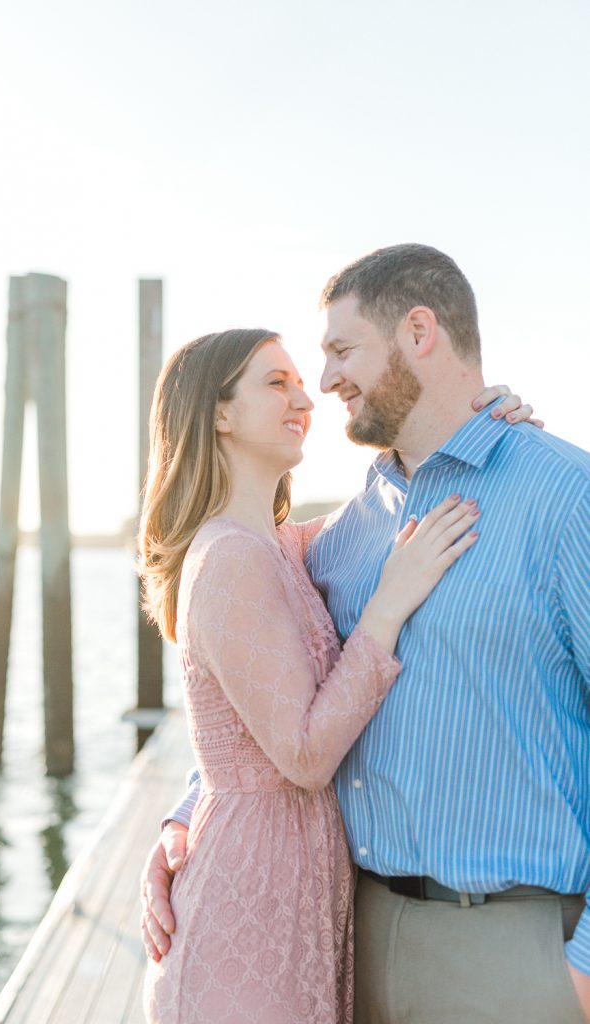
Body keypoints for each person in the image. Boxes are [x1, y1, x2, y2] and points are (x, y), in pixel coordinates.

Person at [142, 244, 590, 1024]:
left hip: (513, 950)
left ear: (419, 332)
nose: (323, 384)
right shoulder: (350, 529)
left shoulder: (563, 496)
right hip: (352, 939)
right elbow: (262, 682)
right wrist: (191, 811)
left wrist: (579, 970)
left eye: (340, 350)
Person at [138, 326, 489, 1023]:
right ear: (218, 413)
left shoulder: (278, 544)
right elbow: (302, 755)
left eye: (301, 383)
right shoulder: (229, 559)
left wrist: (484, 418)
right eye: (276, 383)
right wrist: (386, 606)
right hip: (244, 905)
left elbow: (388, 507)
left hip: (289, 893)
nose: (305, 398)